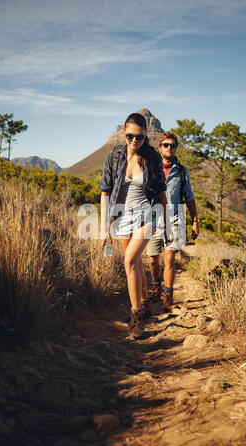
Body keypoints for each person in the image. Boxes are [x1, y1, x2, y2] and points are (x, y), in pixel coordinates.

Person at [99, 113, 170, 339]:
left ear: (145, 135)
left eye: (139, 137)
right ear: (124, 133)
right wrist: (103, 227)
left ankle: (136, 317)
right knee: (136, 264)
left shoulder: (152, 158)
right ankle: (146, 301)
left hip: (146, 215)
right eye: (130, 136)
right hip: (121, 216)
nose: (134, 141)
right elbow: (105, 192)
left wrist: (167, 225)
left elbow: (161, 192)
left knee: (129, 260)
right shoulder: (114, 156)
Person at [146, 131, 199, 312]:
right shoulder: (150, 168)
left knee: (169, 257)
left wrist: (196, 220)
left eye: (172, 145)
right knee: (153, 259)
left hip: (175, 218)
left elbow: (189, 196)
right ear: (160, 147)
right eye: (166, 145)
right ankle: (156, 287)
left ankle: (168, 296)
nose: (169, 148)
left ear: (176, 148)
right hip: (152, 220)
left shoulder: (182, 172)